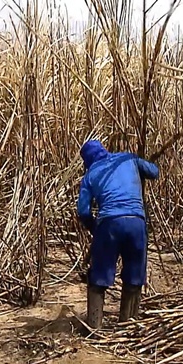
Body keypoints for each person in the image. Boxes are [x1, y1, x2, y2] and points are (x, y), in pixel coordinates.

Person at [77, 140, 159, 330]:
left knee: (99, 276)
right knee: (134, 274)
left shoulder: (90, 176)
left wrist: (95, 229)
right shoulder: (127, 158)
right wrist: (140, 166)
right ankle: (129, 324)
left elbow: (83, 211)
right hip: (136, 223)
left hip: (109, 226)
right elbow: (154, 172)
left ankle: (94, 328)